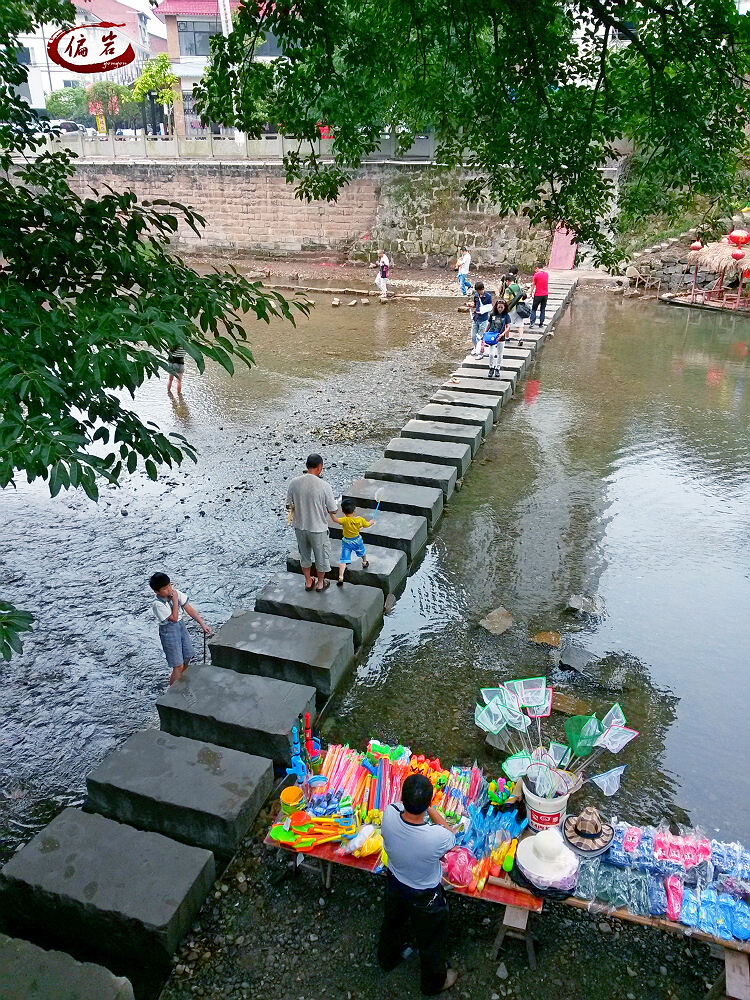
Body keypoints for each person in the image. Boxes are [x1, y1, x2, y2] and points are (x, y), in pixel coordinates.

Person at [377, 774, 458, 995]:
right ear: (428, 804)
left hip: (395, 882)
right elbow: (450, 834)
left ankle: (387, 959)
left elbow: (398, 809)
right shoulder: (435, 837)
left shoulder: (389, 814)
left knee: (391, 923)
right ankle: (433, 984)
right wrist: (431, 809)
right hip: (425, 896)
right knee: (431, 941)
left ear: (402, 798)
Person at [286, 453, 338, 592]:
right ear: (319, 467)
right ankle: (320, 583)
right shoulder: (324, 486)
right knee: (321, 558)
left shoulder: (294, 482)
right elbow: (333, 509)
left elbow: (288, 505)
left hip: (300, 527)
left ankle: (308, 581)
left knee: (304, 557)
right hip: (318, 528)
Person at [149, 572, 210, 686]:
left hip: (181, 627)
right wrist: (175, 600)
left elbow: (189, 609)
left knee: (187, 655)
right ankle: (173, 690)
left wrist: (202, 624)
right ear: (157, 591)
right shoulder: (157, 604)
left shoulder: (176, 593)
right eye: (165, 588)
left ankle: (179, 678)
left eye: (169, 586)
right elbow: (174, 618)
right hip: (169, 631)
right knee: (178, 664)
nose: (169, 589)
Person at [330, 498, 374, 585]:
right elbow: (367, 525)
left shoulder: (344, 520)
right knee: (362, 551)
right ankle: (364, 562)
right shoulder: (359, 520)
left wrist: (330, 513)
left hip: (346, 542)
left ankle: (341, 577)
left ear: (343, 511)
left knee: (343, 560)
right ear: (355, 509)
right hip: (357, 540)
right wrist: (371, 522)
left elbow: (335, 520)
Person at [484, 299, 510, 379]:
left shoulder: (506, 315)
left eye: (502, 307)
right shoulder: (492, 314)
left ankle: (497, 368)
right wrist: (485, 332)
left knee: (500, 354)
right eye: (499, 307)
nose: (500, 309)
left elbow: (508, 327)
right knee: (491, 354)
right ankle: (491, 367)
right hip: (492, 336)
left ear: (504, 307)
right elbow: (489, 324)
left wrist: (502, 334)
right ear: (496, 307)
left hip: (501, 337)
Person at [469, 280, 493, 357]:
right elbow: (475, 305)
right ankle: (476, 348)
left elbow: (489, 308)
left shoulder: (488, 296)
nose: (478, 293)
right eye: (477, 291)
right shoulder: (476, 296)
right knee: (473, 336)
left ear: (482, 289)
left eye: (479, 291)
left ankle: (481, 352)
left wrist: (481, 311)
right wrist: (471, 305)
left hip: (483, 319)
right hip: (476, 318)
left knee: (480, 337)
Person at [503, 265, 527, 330]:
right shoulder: (517, 284)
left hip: (511, 305)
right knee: (520, 324)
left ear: (507, 281)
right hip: (519, 306)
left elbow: (506, 299)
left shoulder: (505, 277)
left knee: (508, 323)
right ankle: (520, 338)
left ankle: (507, 338)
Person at [529, 263, 549, 329]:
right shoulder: (546, 274)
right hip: (545, 294)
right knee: (542, 309)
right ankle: (541, 323)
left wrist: (531, 293)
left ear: (537, 268)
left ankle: (532, 323)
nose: (535, 270)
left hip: (538, 294)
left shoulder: (536, 275)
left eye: (536, 269)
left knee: (534, 309)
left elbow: (533, 285)